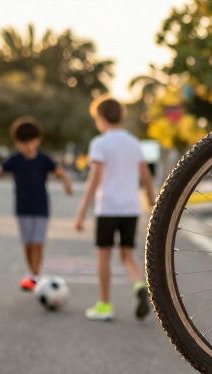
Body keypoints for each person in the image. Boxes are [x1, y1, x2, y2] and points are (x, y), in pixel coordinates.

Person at [74, 95, 155, 322]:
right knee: (128, 255)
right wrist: (151, 201)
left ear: (100, 119)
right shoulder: (133, 142)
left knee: (104, 256)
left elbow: (95, 180)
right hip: (130, 208)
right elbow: (146, 175)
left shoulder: (100, 143)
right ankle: (139, 286)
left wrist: (82, 212)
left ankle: (105, 304)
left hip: (108, 208)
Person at [0, 117, 74, 291]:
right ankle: (32, 272)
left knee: (38, 242)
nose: (28, 146)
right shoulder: (15, 159)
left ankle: (36, 275)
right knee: (28, 243)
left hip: (41, 207)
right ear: (17, 143)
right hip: (23, 208)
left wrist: (67, 185)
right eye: (23, 143)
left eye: (31, 142)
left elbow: (60, 173)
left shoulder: (44, 159)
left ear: (38, 140)